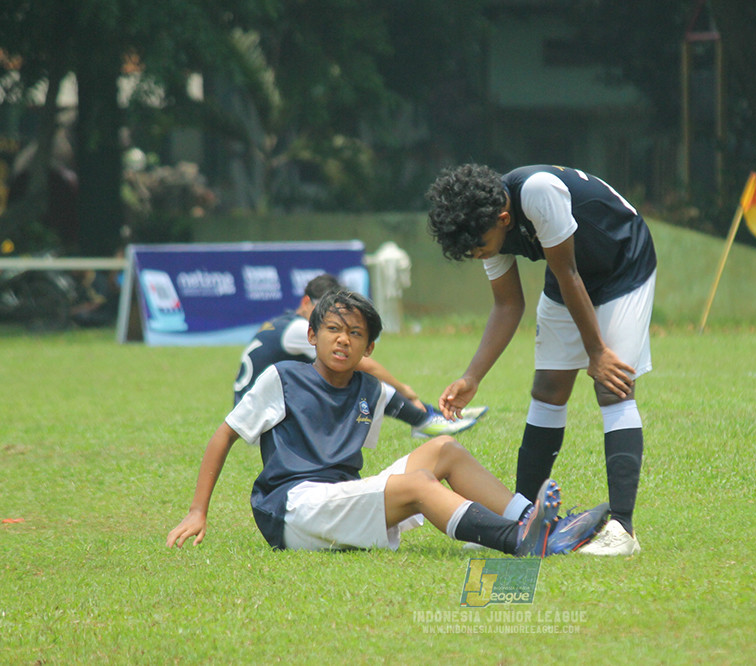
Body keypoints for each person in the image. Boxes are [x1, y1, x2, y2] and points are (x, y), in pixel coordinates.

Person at [167, 289, 610, 555]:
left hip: (338, 498)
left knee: (444, 451)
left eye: (356, 333)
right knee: (418, 486)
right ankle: (520, 541)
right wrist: (197, 510)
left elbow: (416, 423)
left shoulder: (370, 391)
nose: (343, 339)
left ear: (370, 348)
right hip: (293, 509)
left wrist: (432, 402)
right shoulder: (281, 377)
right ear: (311, 336)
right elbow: (224, 434)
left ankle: (534, 522)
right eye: (333, 329)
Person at [425, 163, 656, 556]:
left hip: (622, 264)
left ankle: (622, 529)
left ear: (503, 218)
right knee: (548, 388)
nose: (478, 253)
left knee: (612, 386)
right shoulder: (484, 222)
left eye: (479, 246)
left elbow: (568, 272)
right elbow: (508, 304)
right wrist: (472, 377)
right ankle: (523, 523)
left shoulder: (538, 191)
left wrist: (597, 353)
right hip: (569, 273)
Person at [233, 273, 486, 438]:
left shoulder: (285, 323)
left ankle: (433, 414)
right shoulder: (300, 329)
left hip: (256, 409)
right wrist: (405, 390)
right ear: (306, 302)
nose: (330, 314)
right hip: (260, 420)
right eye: (322, 307)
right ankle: (422, 420)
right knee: (353, 376)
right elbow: (364, 363)